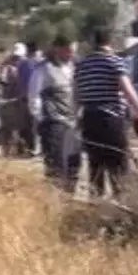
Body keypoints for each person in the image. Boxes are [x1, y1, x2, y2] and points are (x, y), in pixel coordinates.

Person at [73, 27, 138, 198]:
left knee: (96, 167)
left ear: (94, 42)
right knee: (119, 168)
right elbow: (128, 90)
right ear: (110, 42)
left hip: (89, 120)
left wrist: (77, 119)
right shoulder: (114, 61)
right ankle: (120, 206)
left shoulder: (82, 65)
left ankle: (96, 205)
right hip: (110, 120)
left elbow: (76, 95)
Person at [29, 35, 80, 191]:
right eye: (68, 51)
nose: (71, 54)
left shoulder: (72, 68)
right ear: (57, 49)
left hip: (72, 124)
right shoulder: (43, 69)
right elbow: (33, 96)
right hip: (54, 125)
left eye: (73, 51)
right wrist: (42, 119)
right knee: (57, 167)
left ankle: (69, 201)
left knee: (74, 165)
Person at [0, 43, 28, 157]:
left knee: (21, 128)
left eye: (18, 57)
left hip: (20, 101)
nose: (16, 59)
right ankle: (7, 151)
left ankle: (21, 150)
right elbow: (1, 80)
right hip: (9, 102)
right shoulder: (8, 68)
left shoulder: (26, 66)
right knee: (7, 128)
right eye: (15, 57)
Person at [16, 41, 44, 156]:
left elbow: (19, 80)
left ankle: (26, 149)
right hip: (37, 97)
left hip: (24, 98)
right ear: (37, 51)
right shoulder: (39, 63)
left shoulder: (22, 64)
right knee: (37, 124)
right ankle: (36, 149)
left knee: (26, 125)